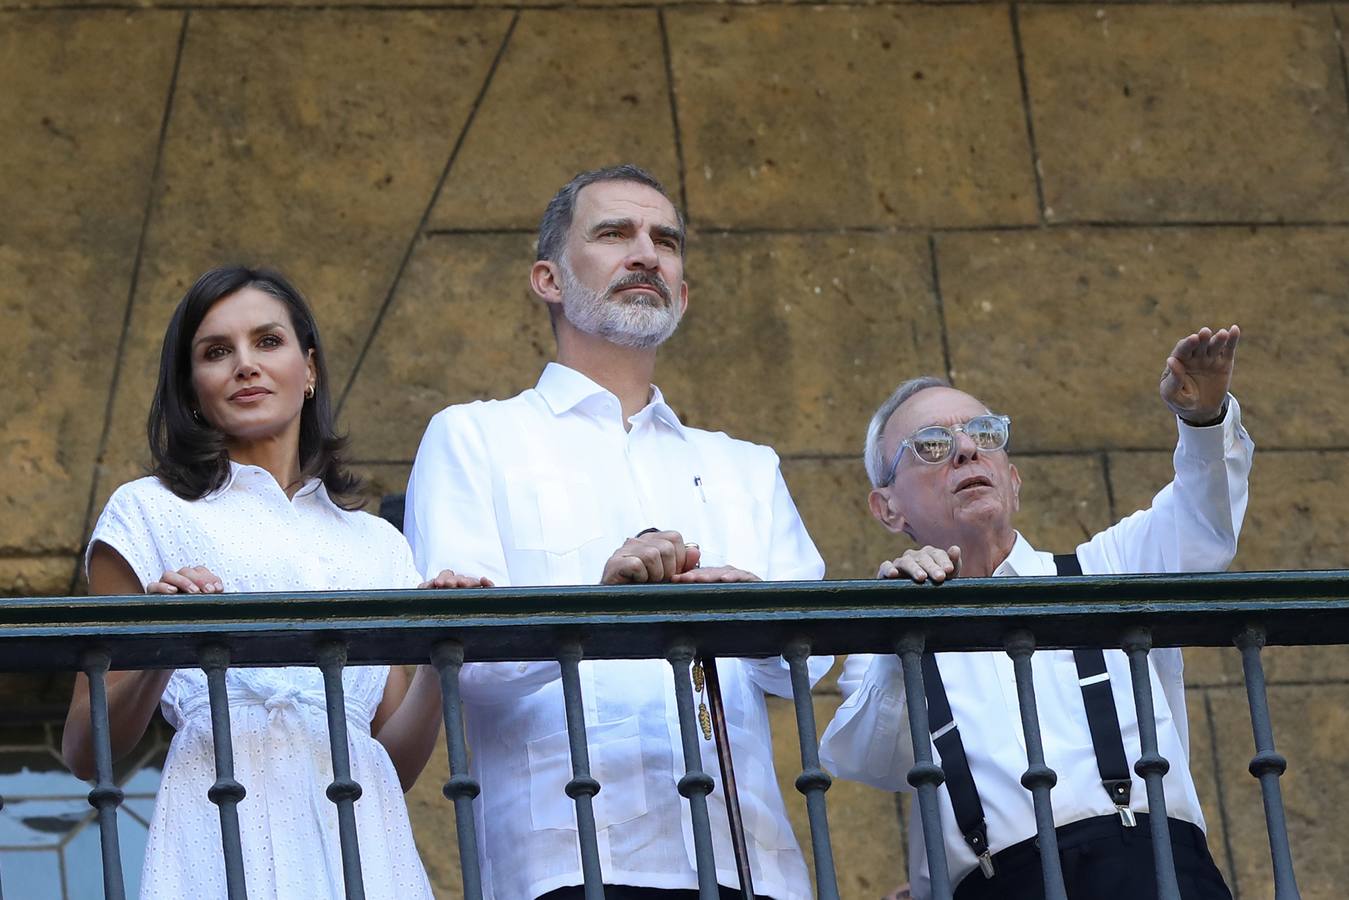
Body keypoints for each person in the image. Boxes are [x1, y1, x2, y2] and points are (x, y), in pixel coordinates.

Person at [405, 165, 827, 900]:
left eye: (665, 241)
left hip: (749, 860)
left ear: (683, 293)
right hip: (564, 859)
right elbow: (457, 659)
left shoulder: (743, 466)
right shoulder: (474, 437)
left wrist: (751, 613)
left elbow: (812, 668)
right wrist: (598, 605)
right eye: (613, 234)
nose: (646, 254)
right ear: (547, 278)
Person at [61, 266, 487, 900]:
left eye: (267, 342)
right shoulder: (147, 512)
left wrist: (437, 657)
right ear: (191, 387)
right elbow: (83, 750)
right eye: (216, 352)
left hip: (365, 843)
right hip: (217, 821)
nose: (245, 365)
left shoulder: (378, 544)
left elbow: (392, 763)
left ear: (309, 369)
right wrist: (162, 644)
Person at [819, 326, 1250, 900]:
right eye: (930, 444)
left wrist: (1202, 421)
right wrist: (903, 630)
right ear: (888, 507)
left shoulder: (1106, 567)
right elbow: (868, 758)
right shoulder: (888, 639)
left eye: (983, 434)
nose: (967, 450)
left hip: (1154, 871)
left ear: (1013, 481)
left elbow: (1204, 527)